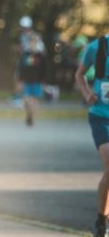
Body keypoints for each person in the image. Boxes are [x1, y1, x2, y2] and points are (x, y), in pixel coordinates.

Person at [75, 33, 109, 237]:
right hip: (101, 117)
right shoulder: (97, 47)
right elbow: (80, 74)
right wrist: (87, 94)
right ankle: (102, 221)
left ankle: (101, 219)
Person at [17, 32, 46, 126]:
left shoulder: (40, 55)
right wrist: (20, 80)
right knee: (26, 100)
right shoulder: (25, 54)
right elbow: (21, 68)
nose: (32, 43)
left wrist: (43, 81)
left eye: (34, 41)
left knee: (34, 100)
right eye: (31, 41)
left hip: (37, 81)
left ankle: (31, 118)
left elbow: (44, 69)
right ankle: (29, 114)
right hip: (27, 80)